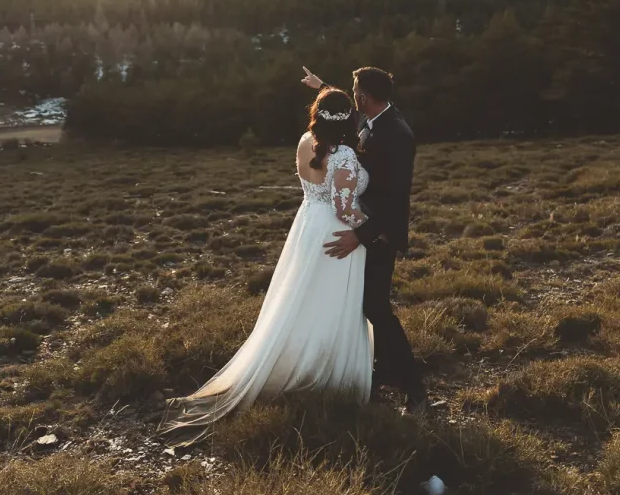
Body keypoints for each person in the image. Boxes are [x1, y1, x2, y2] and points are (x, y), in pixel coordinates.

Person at [161, 88, 373, 445]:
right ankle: (327, 374)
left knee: (301, 299)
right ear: (349, 120)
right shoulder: (346, 155)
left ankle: (291, 358)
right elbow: (343, 208)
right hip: (337, 233)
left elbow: (319, 191)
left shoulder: (306, 141)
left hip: (308, 226)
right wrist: (370, 229)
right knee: (330, 301)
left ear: (317, 116)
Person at [302, 65, 426, 412]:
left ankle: (415, 389)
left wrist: (362, 234)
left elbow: (396, 196)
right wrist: (321, 87)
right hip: (364, 223)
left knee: (376, 308)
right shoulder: (372, 118)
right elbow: (341, 110)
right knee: (362, 305)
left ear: (364, 97)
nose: (354, 101)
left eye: (356, 93)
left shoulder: (396, 134)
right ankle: (381, 369)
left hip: (379, 233)